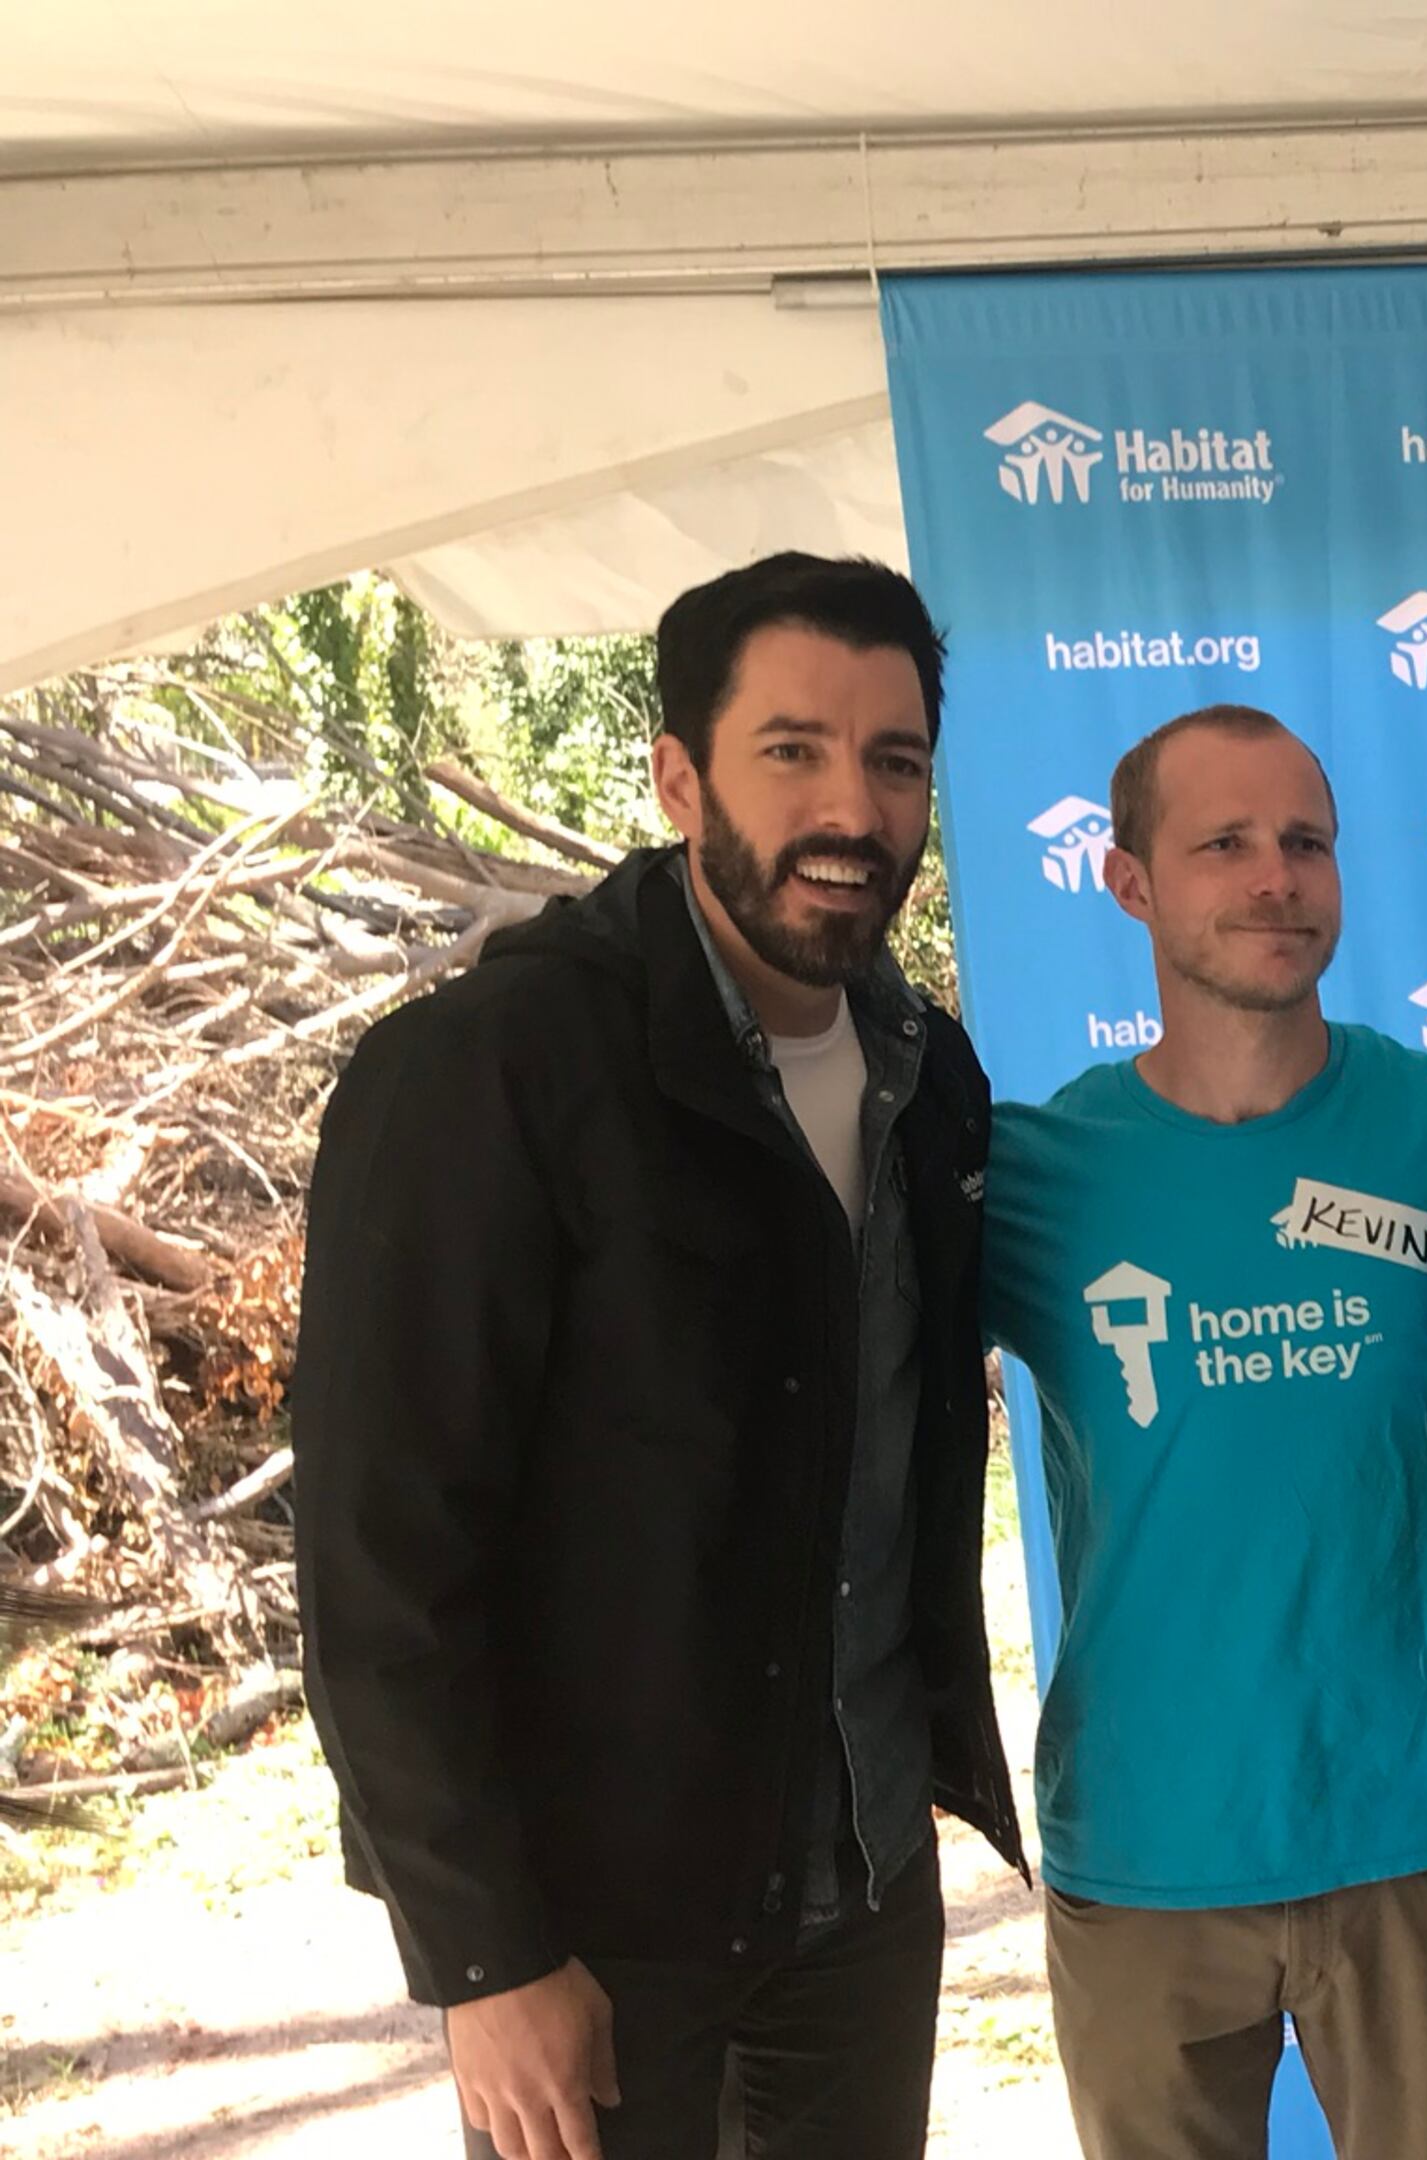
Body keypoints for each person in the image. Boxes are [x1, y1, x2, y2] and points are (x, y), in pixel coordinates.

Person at [295, 553, 1024, 2160]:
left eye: (894, 761)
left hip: (864, 1886)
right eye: (795, 750)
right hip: (600, 1927)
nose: (854, 806)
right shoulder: (488, 1076)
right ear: (679, 777)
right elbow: (375, 1558)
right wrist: (483, 1955)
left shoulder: (929, 1079)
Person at [981, 705, 1427, 2160]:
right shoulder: (1036, 1176)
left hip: (1419, 1833)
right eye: (1222, 843)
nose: (1273, 876)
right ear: (1130, 882)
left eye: (1305, 842)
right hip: (1150, 1842)